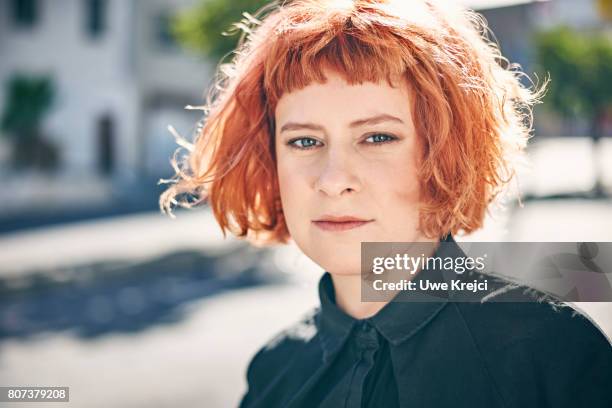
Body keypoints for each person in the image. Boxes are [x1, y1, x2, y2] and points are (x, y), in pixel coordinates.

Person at [158, 0, 612, 406]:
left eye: (377, 137)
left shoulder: (553, 356)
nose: (333, 181)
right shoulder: (274, 372)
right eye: (303, 141)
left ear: (445, 153)